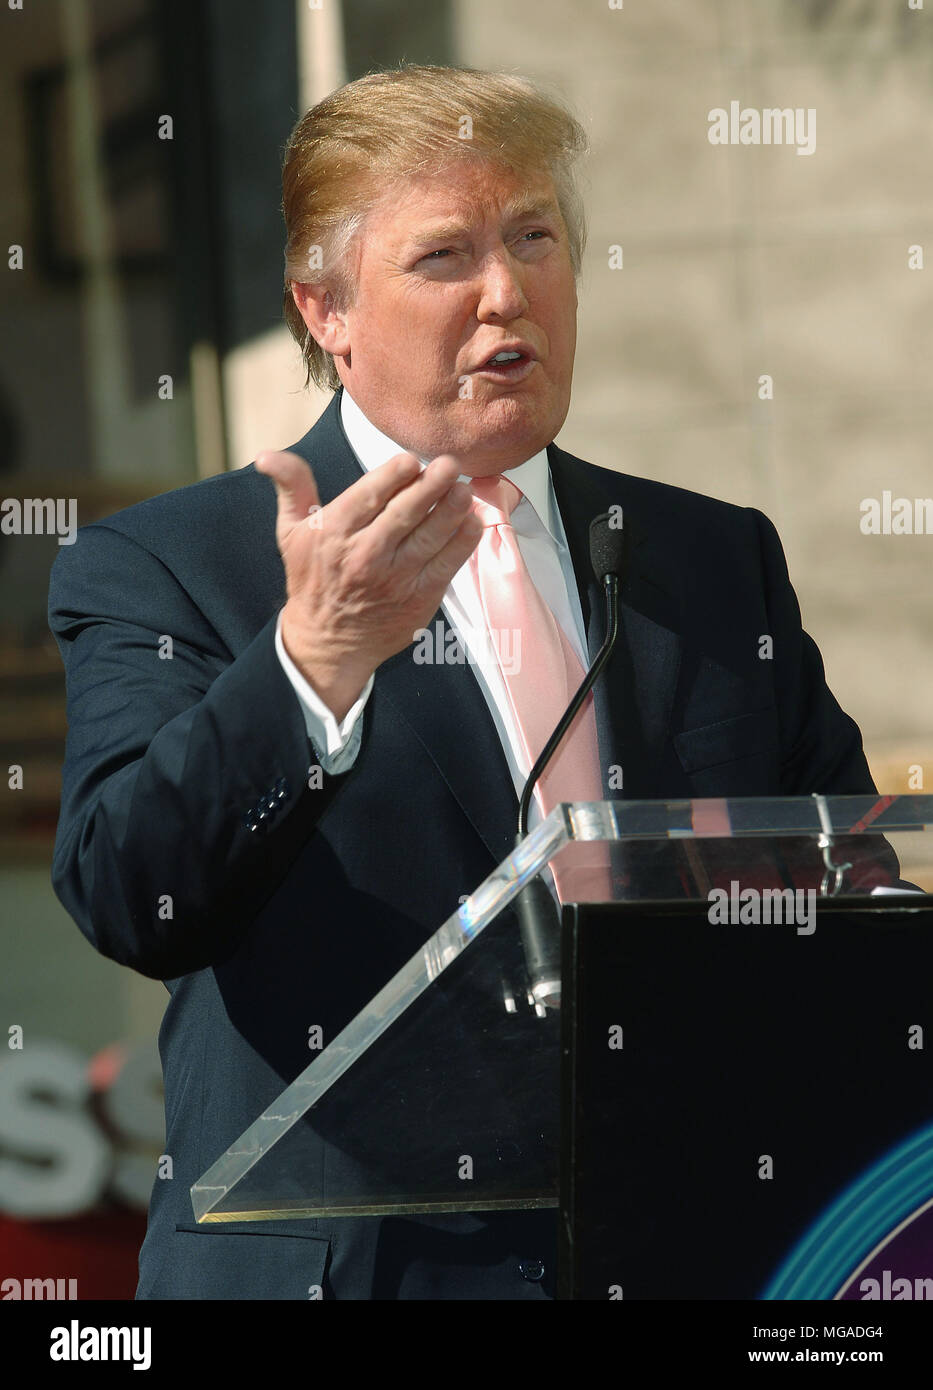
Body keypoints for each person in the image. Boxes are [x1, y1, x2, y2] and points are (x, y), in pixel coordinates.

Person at [48, 65, 894, 1301]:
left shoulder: (711, 558)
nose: (509, 292)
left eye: (536, 237)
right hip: (351, 1275)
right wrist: (314, 663)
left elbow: (842, 870)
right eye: (445, 256)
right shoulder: (173, 564)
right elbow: (135, 897)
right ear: (324, 308)